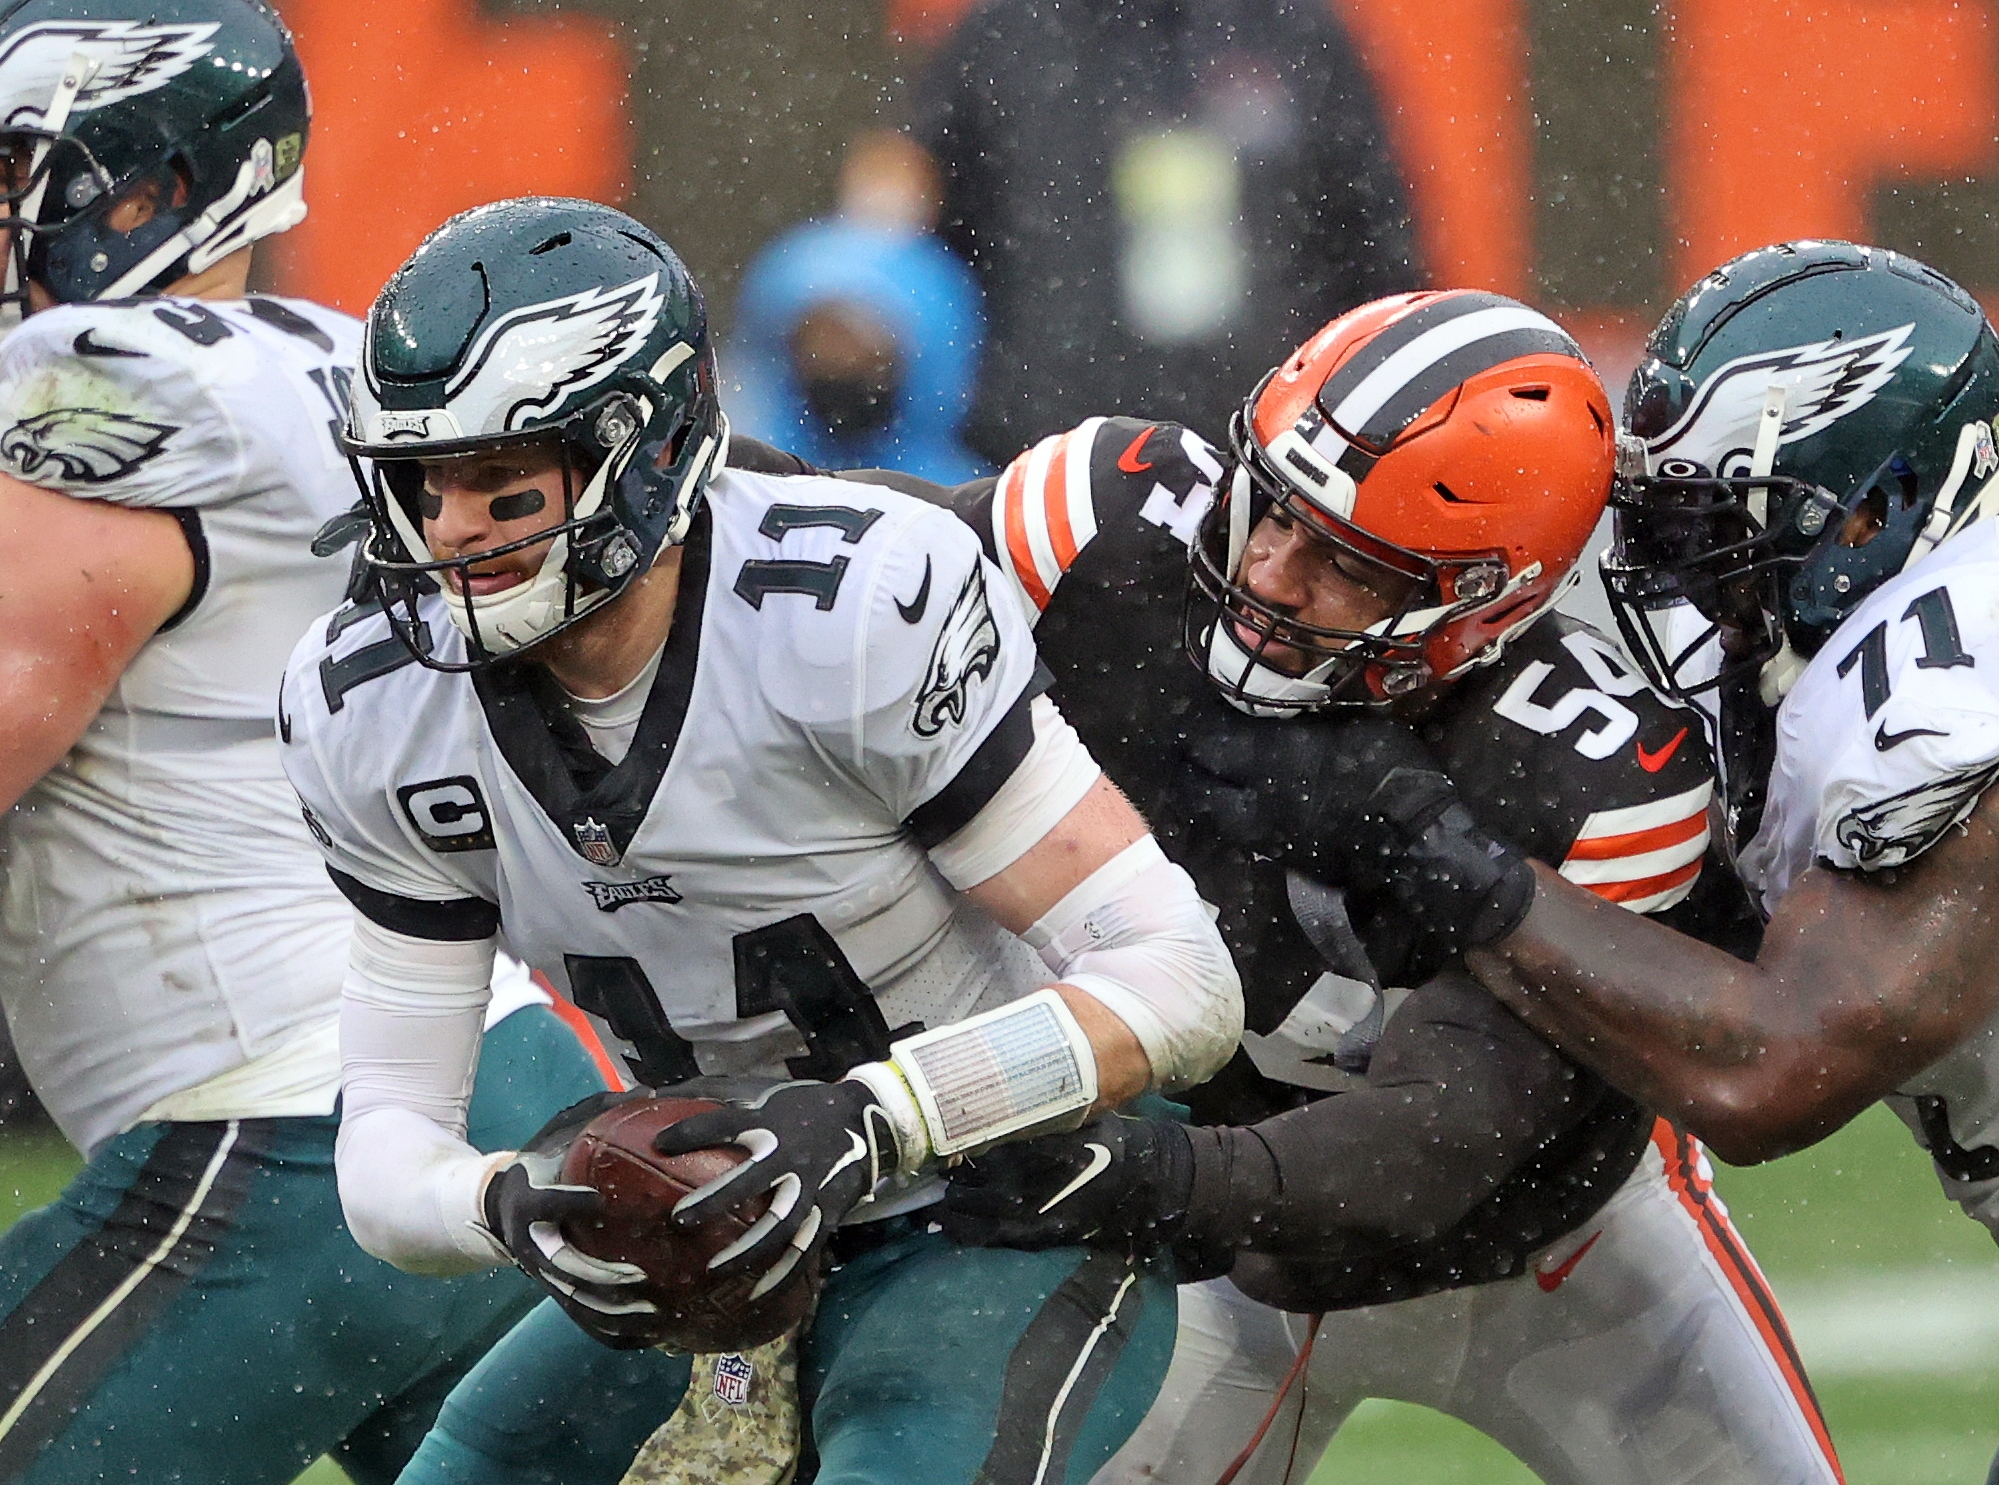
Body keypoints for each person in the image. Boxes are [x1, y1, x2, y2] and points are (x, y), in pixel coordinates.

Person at [279, 196, 1243, 1485]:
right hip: (701, 1249)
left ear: (647, 449)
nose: (448, 531)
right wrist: (518, 1208)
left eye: (501, 481)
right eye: (418, 483)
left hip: (995, 1203)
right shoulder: (370, 707)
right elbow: (388, 1139)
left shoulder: (845, 610)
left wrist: (871, 1123)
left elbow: (1181, 981)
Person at [897, 290, 1840, 1482]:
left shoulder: (1602, 773)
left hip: (1565, 1255)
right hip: (1226, 1263)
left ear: (1483, 603)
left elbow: (1436, 1144)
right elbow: (817, 583)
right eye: (1274, 511)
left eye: (1347, 563)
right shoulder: (1107, 525)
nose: (1270, 574)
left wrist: (1142, 1179)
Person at [0, 2, 606, 1477]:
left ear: (144, 188)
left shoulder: (106, 385)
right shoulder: (338, 357)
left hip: (277, 1135)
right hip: (503, 1082)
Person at [1255, 244, 1999, 1228]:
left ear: (1875, 514)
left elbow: (1772, 1075)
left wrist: (1438, 851)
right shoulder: (1816, 653)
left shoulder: (1945, 679)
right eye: (1663, 534)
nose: (1686, 588)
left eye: (1714, 537)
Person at [910, 0, 1419, 467]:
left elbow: (1373, 251)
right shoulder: (1004, 36)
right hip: (1041, 454)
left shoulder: (1296, 31)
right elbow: (910, 251)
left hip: (1260, 459)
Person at [725, 132, 987, 482]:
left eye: (865, 352)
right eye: (822, 342)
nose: (839, 364)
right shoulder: (737, 484)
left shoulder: (963, 507)